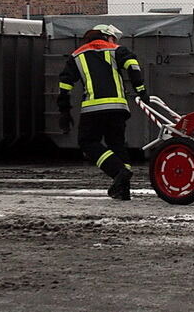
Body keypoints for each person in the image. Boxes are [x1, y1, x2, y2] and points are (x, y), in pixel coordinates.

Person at [57, 24, 149, 200]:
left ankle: (119, 172)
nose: (114, 41)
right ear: (107, 36)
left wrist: (64, 110)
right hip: (118, 108)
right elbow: (133, 66)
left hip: (93, 108)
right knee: (117, 145)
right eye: (113, 38)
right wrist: (141, 91)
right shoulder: (117, 50)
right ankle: (123, 190)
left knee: (88, 142)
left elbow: (65, 84)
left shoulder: (77, 55)